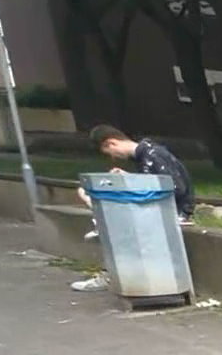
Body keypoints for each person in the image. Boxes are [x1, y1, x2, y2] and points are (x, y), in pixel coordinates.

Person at [70, 124, 196, 292]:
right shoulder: (147, 154)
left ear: (111, 143)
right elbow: (156, 183)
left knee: (110, 220)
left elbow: (174, 188)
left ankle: (110, 271)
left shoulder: (152, 155)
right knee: (95, 202)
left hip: (171, 213)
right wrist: (129, 179)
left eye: (110, 153)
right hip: (162, 210)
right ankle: (102, 226)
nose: (114, 158)